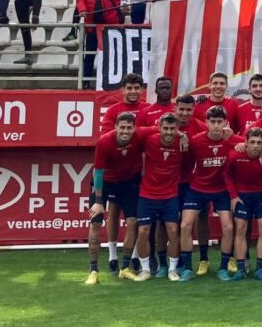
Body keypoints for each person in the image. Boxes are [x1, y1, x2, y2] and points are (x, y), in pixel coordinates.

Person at [125, 114, 187, 282]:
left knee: (173, 231)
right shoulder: (149, 140)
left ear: (177, 128)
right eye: (165, 128)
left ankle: (172, 269)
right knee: (143, 231)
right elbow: (135, 131)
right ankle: (145, 270)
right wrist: (179, 133)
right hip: (147, 194)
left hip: (170, 195)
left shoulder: (183, 143)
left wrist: (182, 136)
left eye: (172, 129)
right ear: (159, 128)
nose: (169, 132)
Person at [180, 106, 238, 280]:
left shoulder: (232, 139)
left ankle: (222, 268)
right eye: (212, 122)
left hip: (222, 190)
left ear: (225, 123)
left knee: (228, 227)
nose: (216, 126)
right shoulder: (196, 141)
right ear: (206, 123)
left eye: (219, 122)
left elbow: (251, 143)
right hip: (198, 188)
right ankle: (188, 268)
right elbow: (186, 161)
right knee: (185, 225)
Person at [84, 112, 142, 284]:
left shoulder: (140, 136)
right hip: (104, 182)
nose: (125, 131)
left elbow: (162, 129)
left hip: (127, 183)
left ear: (134, 128)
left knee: (133, 221)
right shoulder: (104, 142)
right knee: (95, 222)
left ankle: (124, 268)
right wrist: (100, 202)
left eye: (129, 128)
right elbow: (99, 174)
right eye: (122, 127)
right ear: (116, 127)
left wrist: (182, 135)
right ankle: (93, 270)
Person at [75, 0, 150, 86]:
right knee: (89, 55)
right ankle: (85, 81)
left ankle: (111, 82)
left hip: (110, 29)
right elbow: (80, 0)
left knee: (112, 56)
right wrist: (82, 10)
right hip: (92, 27)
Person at [223, 128, 262, 280]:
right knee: (240, 229)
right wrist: (233, 196)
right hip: (242, 197)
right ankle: (241, 269)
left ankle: (260, 269)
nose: (255, 146)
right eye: (252, 142)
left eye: (259, 142)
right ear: (245, 143)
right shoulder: (235, 155)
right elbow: (227, 174)